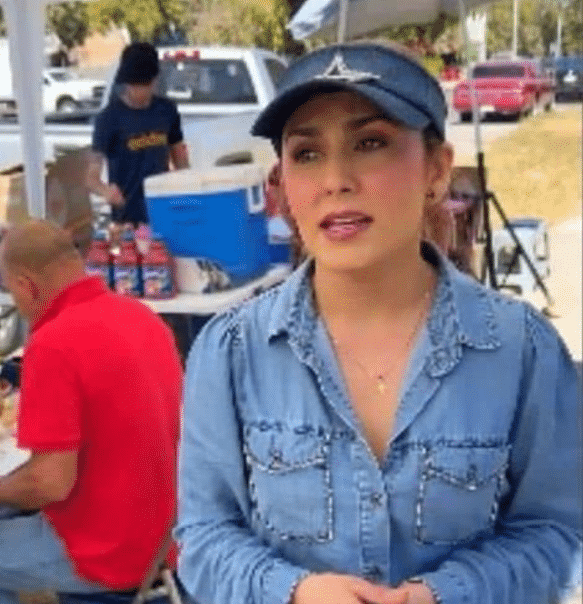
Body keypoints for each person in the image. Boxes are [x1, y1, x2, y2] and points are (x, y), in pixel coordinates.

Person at [177, 42, 582, 604]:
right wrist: (293, 592)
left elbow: (557, 534)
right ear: (282, 186)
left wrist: (448, 593)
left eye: (371, 143)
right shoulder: (230, 352)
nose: (336, 180)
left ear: (437, 170)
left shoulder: (521, 350)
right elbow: (202, 539)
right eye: (307, 153)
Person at [0, 220, 183, 604]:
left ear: (26, 285)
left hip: (112, 554)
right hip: (169, 535)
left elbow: (50, 484)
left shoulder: (53, 344)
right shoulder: (143, 316)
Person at [88, 42, 188, 231]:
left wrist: (186, 185)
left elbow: (179, 155)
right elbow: (91, 178)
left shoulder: (167, 110)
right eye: (132, 85)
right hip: (127, 221)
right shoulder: (108, 119)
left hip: (164, 213)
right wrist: (106, 191)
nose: (137, 91)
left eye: (143, 85)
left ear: (154, 81)